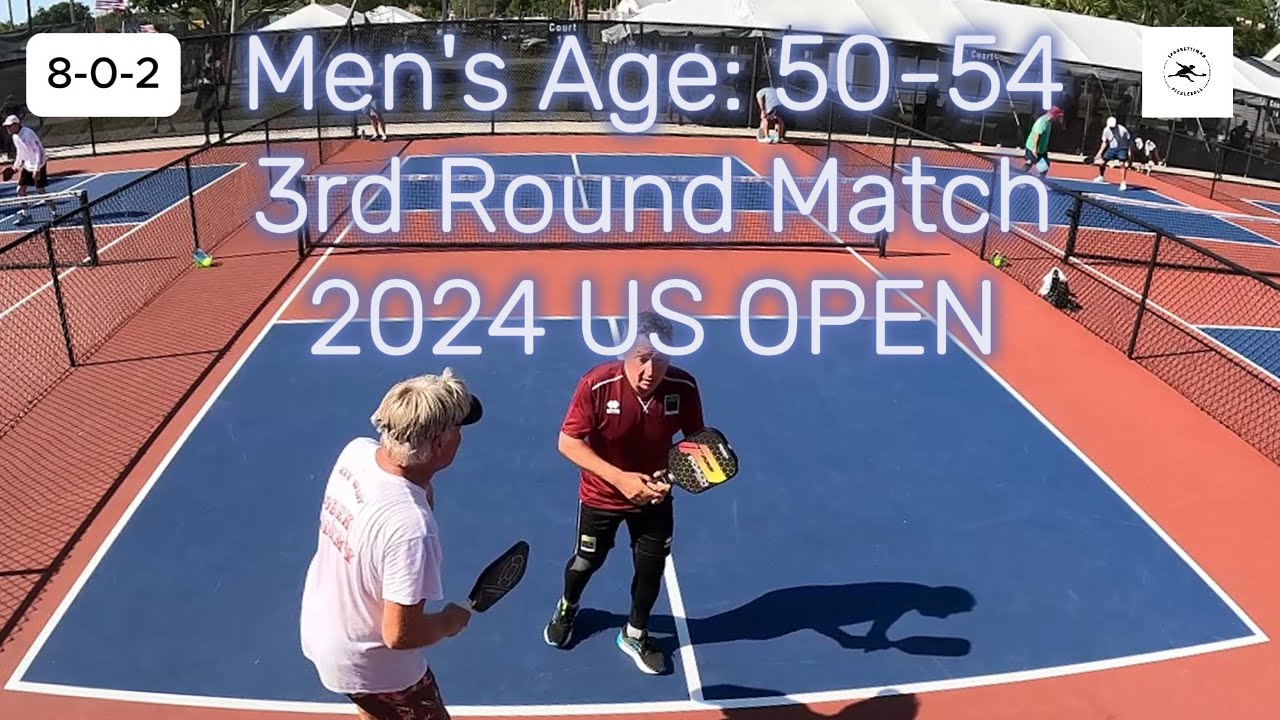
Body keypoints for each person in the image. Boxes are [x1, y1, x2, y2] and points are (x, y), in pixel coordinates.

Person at [300, 369, 484, 720]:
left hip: (325, 631)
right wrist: (448, 621)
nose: (462, 435)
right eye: (458, 428)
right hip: (373, 665)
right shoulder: (412, 528)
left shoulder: (356, 452)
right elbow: (399, 634)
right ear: (440, 444)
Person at [544, 311, 706, 674]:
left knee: (650, 569)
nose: (650, 371)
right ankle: (569, 605)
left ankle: (634, 632)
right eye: (643, 359)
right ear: (625, 354)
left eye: (660, 361)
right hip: (601, 497)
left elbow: (695, 444)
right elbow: (568, 442)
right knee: (586, 562)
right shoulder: (597, 385)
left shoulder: (684, 387)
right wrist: (621, 480)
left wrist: (671, 477)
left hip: (654, 500)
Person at [4, 115, 60, 226]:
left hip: (39, 163)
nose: (8, 129)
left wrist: (37, 169)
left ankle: (56, 213)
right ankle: (25, 215)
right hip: (27, 165)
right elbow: (20, 153)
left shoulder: (28, 133)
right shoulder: (15, 136)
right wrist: (16, 167)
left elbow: (38, 151)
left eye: (9, 126)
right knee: (20, 190)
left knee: (40, 190)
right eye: (7, 127)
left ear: (16, 125)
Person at [1093, 116, 1132, 191]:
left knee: (1122, 164)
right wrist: (1099, 153)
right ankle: (1101, 176)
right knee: (1102, 162)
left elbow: (1129, 141)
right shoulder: (1106, 130)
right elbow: (1104, 142)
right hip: (1112, 148)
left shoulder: (1123, 130)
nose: (1112, 128)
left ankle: (1123, 182)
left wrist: (1129, 152)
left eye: (1113, 127)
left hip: (1122, 148)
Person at [1023, 105, 1063, 176]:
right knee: (1029, 163)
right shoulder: (1042, 122)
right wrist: (1034, 149)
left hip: (1041, 150)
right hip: (1033, 147)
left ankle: (1041, 182)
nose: (1058, 118)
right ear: (1054, 115)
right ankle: (1019, 179)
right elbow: (1037, 136)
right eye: (1058, 116)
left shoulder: (1049, 122)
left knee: (1045, 166)